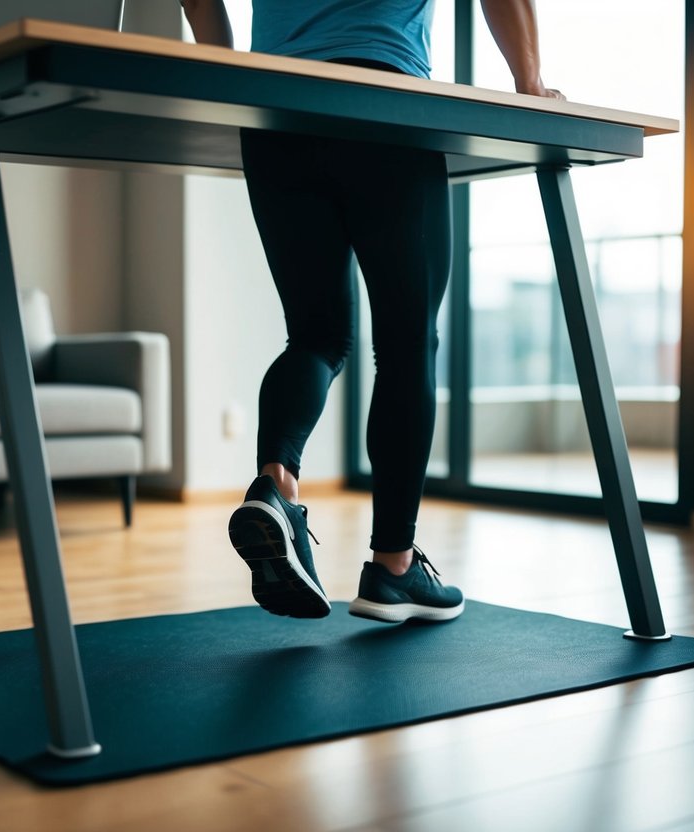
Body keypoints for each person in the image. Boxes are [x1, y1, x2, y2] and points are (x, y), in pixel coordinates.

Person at [180, 0, 563, 623]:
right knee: (408, 342)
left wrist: (227, 65)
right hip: (381, 97)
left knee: (316, 334)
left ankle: (276, 488)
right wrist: (530, 82)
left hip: (274, 108)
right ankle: (394, 568)